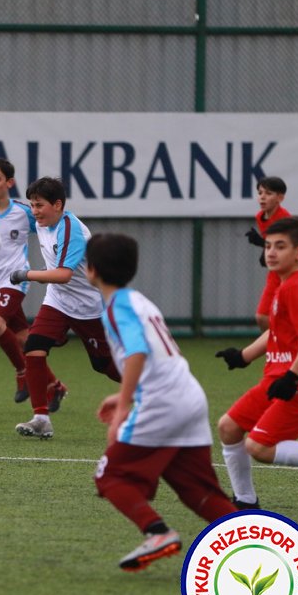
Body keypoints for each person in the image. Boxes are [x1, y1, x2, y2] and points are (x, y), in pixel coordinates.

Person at [86, 233, 236, 572]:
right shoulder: (140, 300)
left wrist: (124, 405)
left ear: (91, 270)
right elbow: (163, 353)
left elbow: (138, 350)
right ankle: (255, 546)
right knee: (198, 491)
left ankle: (157, 532)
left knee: (109, 476)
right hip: (188, 395)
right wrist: (125, 392)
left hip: (163, 402)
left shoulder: (116, 306)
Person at [215, 217, 298, 509]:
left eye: (280, 246)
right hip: (277, 377)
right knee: (229, 427)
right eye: (268, 246)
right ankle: (245, 502)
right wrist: (244, 356)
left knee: (259, 447)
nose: (271, 253)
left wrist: (293, 377)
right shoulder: (284, 283)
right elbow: (278, 332)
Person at [8, 176, 121, 439]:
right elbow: (5, 209)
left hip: (88, 306)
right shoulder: (41, 220)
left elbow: (63, 274)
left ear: (57, 205)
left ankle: (152, 392)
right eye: (32, 205)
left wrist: (25, 274)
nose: (34, 211)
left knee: (103, 364)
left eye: (39, 205)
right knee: (34, 348)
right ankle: (41, 419)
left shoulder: (71, 229)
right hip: (58, 301)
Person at [0, 158, 36, 403]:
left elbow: (50, 226)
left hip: (16, 278)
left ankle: (22, 371)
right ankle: (55, 386)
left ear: (9, 182)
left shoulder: (24, 212)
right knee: (25, 339)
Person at [245, 176, 298, 331]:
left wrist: (261, 244)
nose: (262, 197)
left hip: (295, 271)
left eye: (268, 193)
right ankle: (279, 350)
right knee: (262, 317)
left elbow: (286, 246)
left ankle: (293, 349)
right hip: (276, 274)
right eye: (260, 193)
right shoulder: (260, 216)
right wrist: (263, 247)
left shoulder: (285, 218)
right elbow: (273, 243)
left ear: (280, 198)